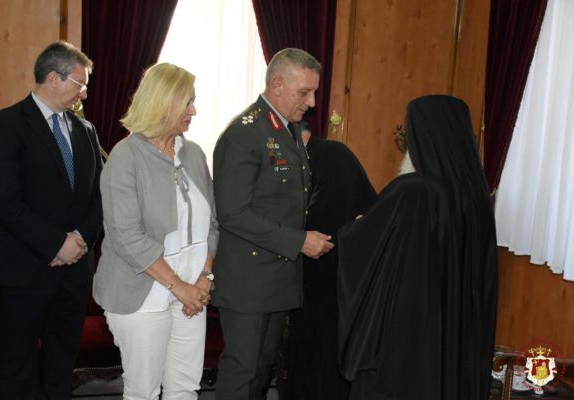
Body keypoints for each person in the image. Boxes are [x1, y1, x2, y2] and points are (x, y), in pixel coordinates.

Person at [337, 95, 498, 400]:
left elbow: (362, 245)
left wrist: (357, 226)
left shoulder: (411, 190)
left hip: (409, 333)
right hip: (455, 333)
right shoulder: (477, 195)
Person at [0, 41, 103, 399]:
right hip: (24, 270)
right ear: (53, 78)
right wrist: (56, 244)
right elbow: (0, 199)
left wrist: (80, 239)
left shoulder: (86, 130)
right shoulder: (4, 125)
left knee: (61, 365)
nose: (84, 93)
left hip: (74, 270)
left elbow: (99, 195)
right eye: (80, 84)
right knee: (16, 368)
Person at [212, 48, 334, 400]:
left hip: (278, 276)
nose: (311, 102)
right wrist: (299, 241)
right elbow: (232, 212)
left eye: (314, 92)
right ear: (277, 84)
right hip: (248, 279)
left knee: (262, 369)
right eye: (304, 92)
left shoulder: (287, 128)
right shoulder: (245, 133)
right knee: (242, 370)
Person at [93, 62, 218, 400]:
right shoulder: (126, 157)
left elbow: (212, 224)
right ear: (163, 102)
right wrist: (179, 286)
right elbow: (126, 236)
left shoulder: (193, 154)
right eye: (187, 102)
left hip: (191, 291)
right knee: (143, 392)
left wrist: (204, 278)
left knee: (185, 387)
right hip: (141, 295)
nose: (194, 111)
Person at [286, 121, 377, 400]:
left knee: (322, 358)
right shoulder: (307, 157)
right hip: (310, 276)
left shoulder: (334, 156)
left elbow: (325, 224)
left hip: (333, 276)